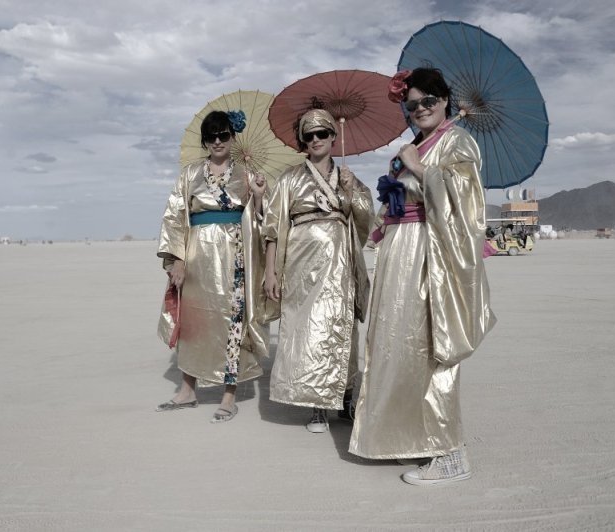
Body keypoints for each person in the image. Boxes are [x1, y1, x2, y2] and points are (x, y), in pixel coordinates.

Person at [349, 68, 497, 484]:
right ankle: (412, 437)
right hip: (401, 251)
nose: (419, 110)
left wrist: (421, 168)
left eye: (428, 101)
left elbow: (465, 200)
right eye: (411, 105)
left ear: (444, 100)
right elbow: (398, 200)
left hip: (430, 253)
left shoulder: (457, 141)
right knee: (399, 345)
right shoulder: (416, 143)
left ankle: (450, 452)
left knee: (432, 343)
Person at [262, 109, 373, 433]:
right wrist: (271, 271)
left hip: (341, 265)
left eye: (322, 133)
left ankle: (345, 399)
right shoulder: (290, 178)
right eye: (309, 136)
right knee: (307, 330)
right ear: (303, 141)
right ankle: (317, 406)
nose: (315, 140)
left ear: (333, 137)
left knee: (342, 328)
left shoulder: (349, 177)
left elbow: (366, 220)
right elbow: (273, 227)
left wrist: (352, 193)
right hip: (301, 265)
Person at [156, 110, 269, 423]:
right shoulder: (190, 174)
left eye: (223, 135)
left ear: (232, 138)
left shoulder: (247, 173)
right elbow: (175, 216)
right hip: (197, 255)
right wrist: (176, 260)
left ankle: (228, 394)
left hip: (235, 255)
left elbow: (261, 219)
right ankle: (188, 388)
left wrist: (258, 197)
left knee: (232, 320)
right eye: (212, 136)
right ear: (205, 141)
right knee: (194, 322)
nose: (218, 141)